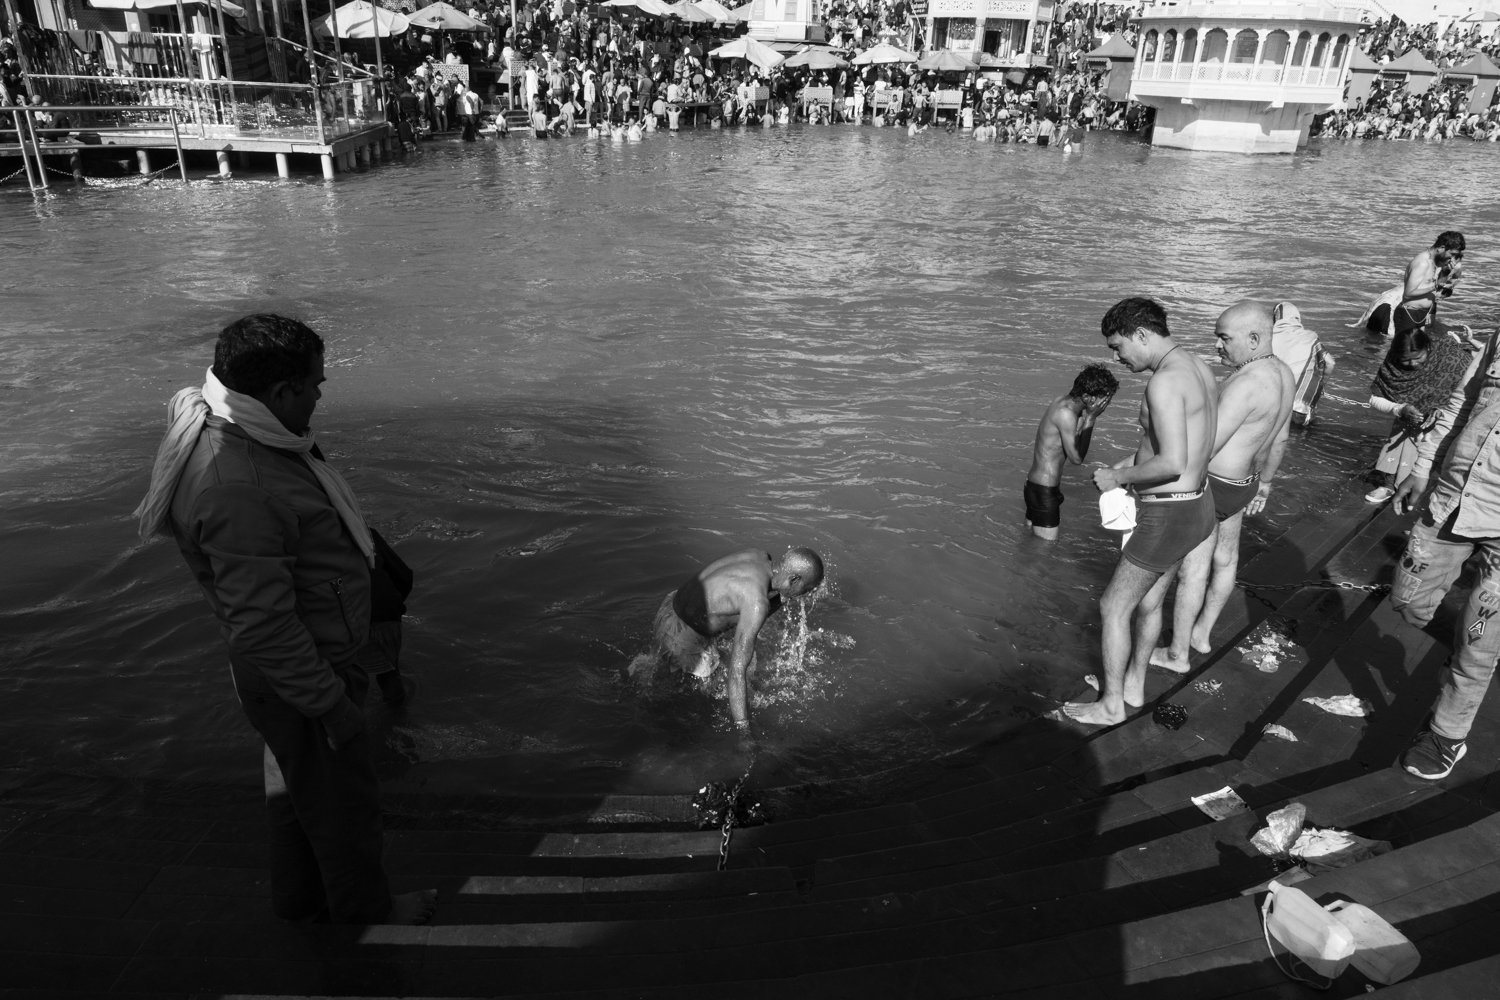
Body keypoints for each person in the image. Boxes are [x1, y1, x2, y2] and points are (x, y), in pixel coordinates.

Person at [133, 314, 436, 926]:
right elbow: (266, 625)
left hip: (286, 675)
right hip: (304, 674)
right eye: (316, 385)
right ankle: (367, 915)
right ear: (280, 394)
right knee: (345, 804)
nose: (322, 396)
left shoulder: (241, 435)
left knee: (297, 797)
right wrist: (331, 703)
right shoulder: (237, 485)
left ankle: (300, 903)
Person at [1064, 297, 1217, 727]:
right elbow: (1194, 440)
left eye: (1118, 347)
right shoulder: (1197, 368)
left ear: (1142, 335)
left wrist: (1119, 479)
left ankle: (1112, 705)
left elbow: (1171, 462)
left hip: (1169, 513)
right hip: (1197, 505)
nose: (1116, 357)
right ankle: (1133, 684)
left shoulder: (1164, 383)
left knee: (1114, 606)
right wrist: (1130, 463)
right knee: (1149, 603)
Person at [1149, 301, 1296, 672]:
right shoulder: (1284, 373)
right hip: (1244, 482)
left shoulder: (1245, 382)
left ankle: (1177, 653)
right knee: (1226, 558)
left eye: (1224, 338)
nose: (1217, 346)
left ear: (1253, 338)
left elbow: (1206, 445)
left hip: (1213, 485)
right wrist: (1265, 484)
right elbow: (1279, 439)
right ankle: (1201, 633)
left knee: (1192, 570)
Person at [1390, 327, 1500, 779]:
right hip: (1454, 498)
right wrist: (1422, 466)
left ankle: (1446, 736)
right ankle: (1473, 654)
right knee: (1408, 600)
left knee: (1480, 636)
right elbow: (1464, 398)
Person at [650, 548, 824, 731]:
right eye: (805, 590)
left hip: (670, 606)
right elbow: (737, 671)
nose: (804, 596)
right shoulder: (757, 603)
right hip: (681, 639)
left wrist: (783, 597)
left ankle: (651, 679)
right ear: (794, 579)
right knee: (691, 699)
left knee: (667, 676)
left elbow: (738, 600)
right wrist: (743, 732)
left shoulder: (759, 555)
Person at [1363, 327, 1472, 504]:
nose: (1413, 364)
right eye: (1406, 361)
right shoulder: (1392, 365)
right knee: (1399, 442)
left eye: (1418, 358)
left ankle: (1424, 487)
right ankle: (1389, 485)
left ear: (1428, 348)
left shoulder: (1452, 358)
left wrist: (1443, 411)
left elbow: (1470, 391)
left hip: (1445, 419)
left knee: (1432, 451)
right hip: (1407, 420)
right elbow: (1375, 399)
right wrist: (1400, 409)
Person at [1024, 363, 1119, 540]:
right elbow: (1076, 458)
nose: (1106, 404)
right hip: (1044, 490)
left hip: (1035, 486)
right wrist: (1091, 418)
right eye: (1104, 399)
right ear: (1087, 396)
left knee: (1030, 541)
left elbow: (1068, 439)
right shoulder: (1066, 414)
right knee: (1044, 551)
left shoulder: (1062, 402)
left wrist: (1085, 416)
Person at [1353, 231, 1466, 337]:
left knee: (1416, 351)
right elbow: (1409, 293)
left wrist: (1445, 274)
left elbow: (1438, 289)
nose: (1451, 259)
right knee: (1397, 348)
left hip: (1418, 313)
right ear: (1441, 248)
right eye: (1451, 254)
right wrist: (1436, 286)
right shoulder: (1423, 262)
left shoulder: (1436, 263)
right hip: (1403, 311)